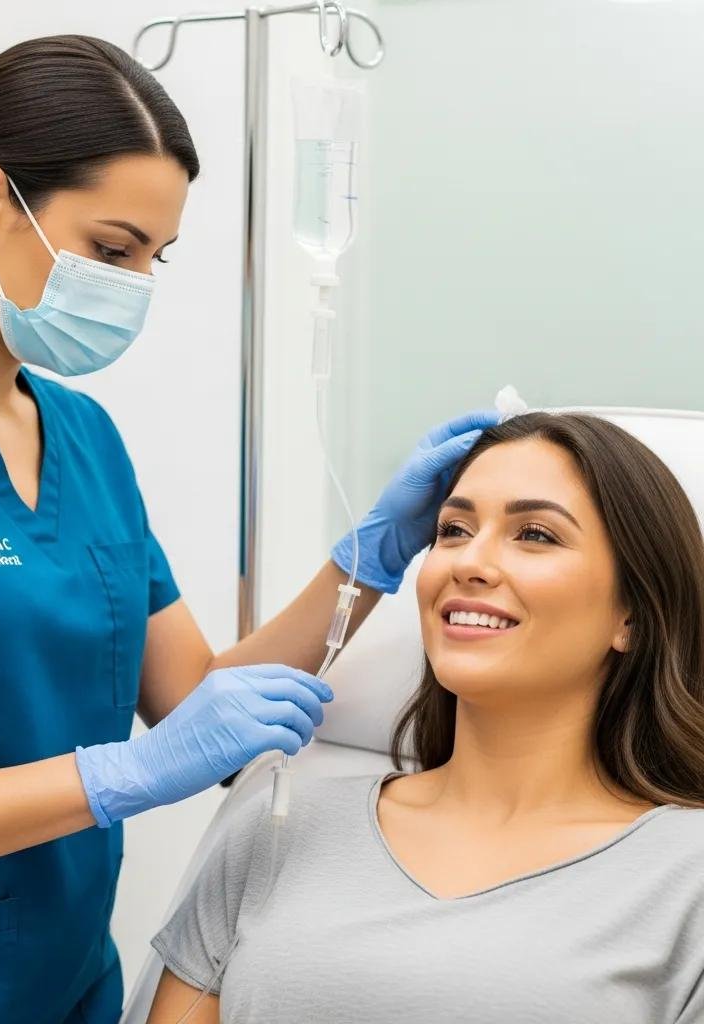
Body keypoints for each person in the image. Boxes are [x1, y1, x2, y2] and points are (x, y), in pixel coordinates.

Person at [0, 33, 495, 1024]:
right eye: (110, 250)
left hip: (62, 984)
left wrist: (368, 559)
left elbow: (196, 704)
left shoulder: (81, 435)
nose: (133, 286)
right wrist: (114, 774)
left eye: (152, 259)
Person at [148, 411, 704, 1024]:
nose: (470, 562)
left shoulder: (685, 875)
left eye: (536, 535)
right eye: (454, 529)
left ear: (632, 614)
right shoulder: (280, 825)